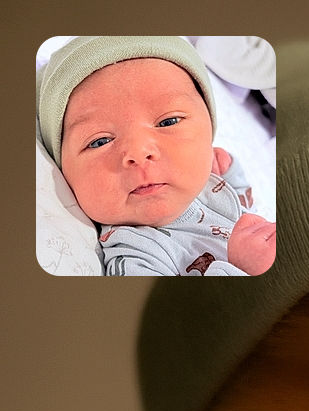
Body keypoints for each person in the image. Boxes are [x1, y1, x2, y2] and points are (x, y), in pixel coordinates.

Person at [37, 36, 275, 276]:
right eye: (99, 141)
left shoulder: (207, 186)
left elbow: (244, 209)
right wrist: (241, 270)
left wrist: (232, 175)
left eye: (168, 122)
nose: (139, 153)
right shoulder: (136, 255)